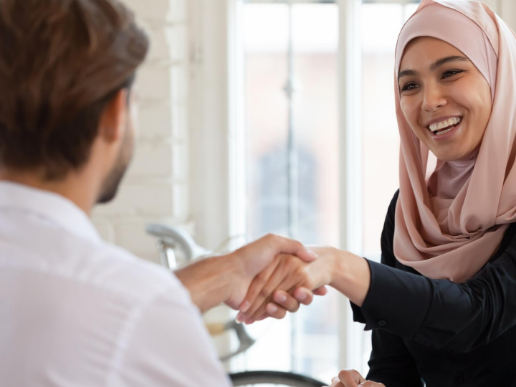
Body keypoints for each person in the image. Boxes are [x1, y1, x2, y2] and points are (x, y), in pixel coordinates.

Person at [239, 1, 516, 386]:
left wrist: (339, 266)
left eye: (450, 72)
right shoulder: (411, 214)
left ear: (502, 79)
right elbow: (394, 370)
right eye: (410, 85)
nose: (429, 101)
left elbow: (475, 315)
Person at [0, 0, 320, 385]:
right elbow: (117, 312)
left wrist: (226, 272)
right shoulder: (137, 313)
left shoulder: (117, 302)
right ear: (115, 113)